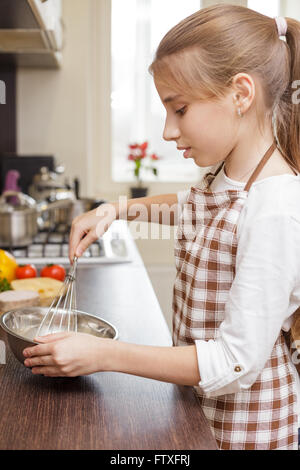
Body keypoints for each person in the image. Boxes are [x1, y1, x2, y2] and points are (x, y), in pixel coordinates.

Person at [23, 5, 300, 450]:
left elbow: (234, 362)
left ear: (241, 94)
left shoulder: (277, 206)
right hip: (201, 411)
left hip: (250, 429)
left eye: (180, 108)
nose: (169, 131)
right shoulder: (229, 176)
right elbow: (193, 205)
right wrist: (116, 210)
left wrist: (103, 355)